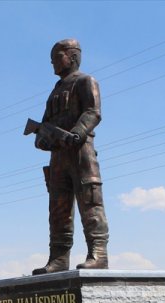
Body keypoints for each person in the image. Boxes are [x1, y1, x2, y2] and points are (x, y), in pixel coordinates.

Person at [32, 38, 110, 275]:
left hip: (81, 152)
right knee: (58, 207)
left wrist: (76, 134)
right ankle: (58, 258)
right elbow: (45, 124)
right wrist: (43, 139)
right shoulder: (55, 91)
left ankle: (98, 254)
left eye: (57, 57)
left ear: (73, 56)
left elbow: (93, 112)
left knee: (90, 201)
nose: (53, 63)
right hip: (58, 157)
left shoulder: (86, 81)